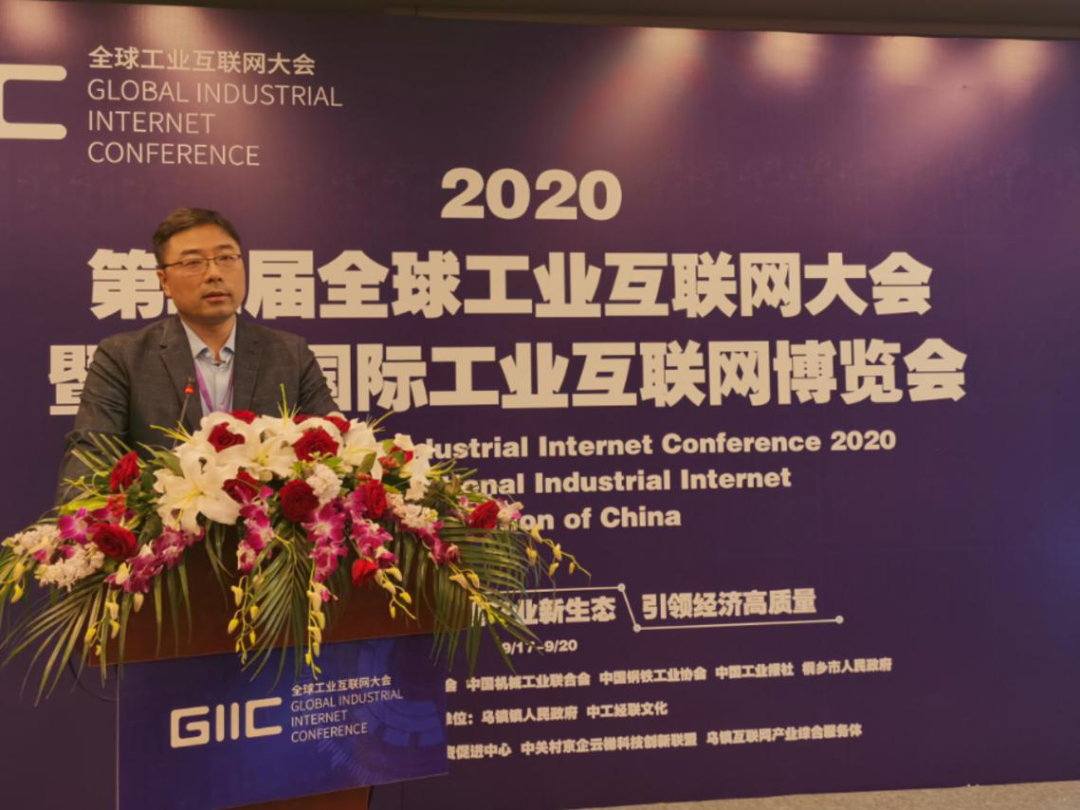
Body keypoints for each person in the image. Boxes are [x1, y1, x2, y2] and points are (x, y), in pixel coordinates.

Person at [56, 207, 337, 502]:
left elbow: (333, 448)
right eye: (193, 262)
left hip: (266, 524)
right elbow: (89, 461)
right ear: (164, 281)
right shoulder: (123, 357)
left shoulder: (290, 354)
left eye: (226, 258)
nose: (214, 274)